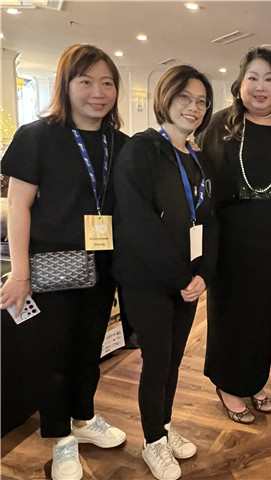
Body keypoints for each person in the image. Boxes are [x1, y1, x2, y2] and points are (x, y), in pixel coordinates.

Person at [0, 44, 128, 480]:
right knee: (52, 354)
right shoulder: (37, 136)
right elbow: (18, 206)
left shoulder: (121, 144)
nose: (98, 92)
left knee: (88, 350)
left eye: (107, 82)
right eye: (86, 81)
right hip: (50, 268)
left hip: (103, 267)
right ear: (65, 85)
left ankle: (84, 419)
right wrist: (20, 274)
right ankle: (60, 439)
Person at [196, 47, 271, 424]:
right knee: (232, 316)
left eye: (269, 79)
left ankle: (255, 379)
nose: (260, 87)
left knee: (265, 316)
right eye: (253, 78)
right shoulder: (220, 126)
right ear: (240, 83)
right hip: (231, 246)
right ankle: (228, 384)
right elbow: (203, 189)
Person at [112, 65, 215, 480]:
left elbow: (209, 220)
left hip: (187, 282)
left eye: (202, 101)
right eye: (184, 97)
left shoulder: (198, 157)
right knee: (156, 361)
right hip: (149, 280)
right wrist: (181, 277)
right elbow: (137, 222)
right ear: (165, 98)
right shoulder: (141, 150)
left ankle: (164, 426)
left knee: (173, 359)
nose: (194, 107)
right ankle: (152, 441)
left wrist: (204, 273)